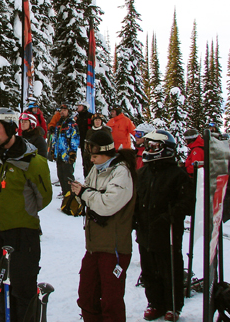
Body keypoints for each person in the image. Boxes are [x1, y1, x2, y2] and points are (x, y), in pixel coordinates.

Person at [0, 108, 52, 322]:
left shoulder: (33, 161)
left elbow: (44, 198)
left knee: (22, 291)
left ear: (11, 128)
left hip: (22, 234)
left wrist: (21, 213)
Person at [70, 129, 137, 322]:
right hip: (94, 246)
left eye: (95, 156)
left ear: (106, 153)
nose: (91, 160)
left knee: (111, 301)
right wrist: (80, 193)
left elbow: (108, 204)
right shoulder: (98, 169)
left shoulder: (121, 172)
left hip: (114, 248)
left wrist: (84, 193)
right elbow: (91, 194)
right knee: (87, 295)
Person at [135, 130, 194, 321]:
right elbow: (135, 199)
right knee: (149, 269)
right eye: (148, 145)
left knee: (169, 269)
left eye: (154, 146)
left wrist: (168, 217)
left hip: (167, 232)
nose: (149, 149)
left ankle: (173, 305)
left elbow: (187, 203)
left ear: (165, 148)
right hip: (146, 230)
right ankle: (155, 302)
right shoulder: (142, 173)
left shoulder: (177, 174)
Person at [49, 103, 79, 198]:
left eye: (64, 110)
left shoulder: (71, 123)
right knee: (60, 174)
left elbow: (75, 138)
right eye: (61, 110)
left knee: (68, 174)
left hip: (67, 154)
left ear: (68, 111)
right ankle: (64, 191)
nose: (62, 112)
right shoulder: (58, 123)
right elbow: (55, 138)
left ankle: (71, 192)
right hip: (59, 154)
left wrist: (72, 152)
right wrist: (53, 150)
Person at [76, 102, 93, 177]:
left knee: (90, 160)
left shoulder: (89, 116)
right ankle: (86, 177)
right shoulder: (78, 117)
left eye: (80, 106)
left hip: (89, 141)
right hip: (81, 141)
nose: (78, 107)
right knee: (84, 160)